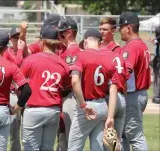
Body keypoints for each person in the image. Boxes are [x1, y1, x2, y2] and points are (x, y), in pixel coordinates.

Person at [20, 25, 71, 151]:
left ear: (42, 42)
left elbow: (19, 83)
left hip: (34, 109)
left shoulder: (31, 59)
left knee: (30, 148)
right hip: (53, 111)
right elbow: (66, 89)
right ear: (57, 43)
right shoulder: (63, 64)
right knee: (47, 148)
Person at [67, 29, 118, 151]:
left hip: (87, 106)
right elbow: (113, 89)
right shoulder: (108, 59)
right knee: (98, 147)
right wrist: (110, 116)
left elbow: (74, 81)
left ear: (85, 42)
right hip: (102, 106)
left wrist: (83, 105)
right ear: (100, 43)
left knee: (74, 148)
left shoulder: (80, 55)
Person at [118, 11, 151, 151]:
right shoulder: (141, 44)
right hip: (138, 94)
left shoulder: (132, 46)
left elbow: (125, 72)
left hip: (133, 95)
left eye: (121, 27)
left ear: (128, 28)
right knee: (124, 134)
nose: (120, 30)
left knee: (135, 136)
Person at [56, 17, 80, 151]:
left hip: (70, 96)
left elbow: (70, 78)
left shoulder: (72, 50)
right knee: (63, 135)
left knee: (70, 137)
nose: (58, 36)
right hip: (67, 97)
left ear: (69, 33)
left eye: (61, 33)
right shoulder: (68, 50)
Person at [3, 24, 28, 151]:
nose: (17, 40)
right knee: (14, 129)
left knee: (28, 128)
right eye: (14, 37)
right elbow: (16, 66)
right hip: (13, 94)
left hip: (26, 93)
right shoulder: (6, 53)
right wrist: (19, 50)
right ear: (10, 38)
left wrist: (22, 48)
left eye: (19, 37)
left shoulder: (25, 51)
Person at [151, 25, 160, 104]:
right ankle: (157, 96)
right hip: (157, 59)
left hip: (158, 59)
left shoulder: (157, 41)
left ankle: (157, 96)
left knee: (157, 77)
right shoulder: (157, 41)